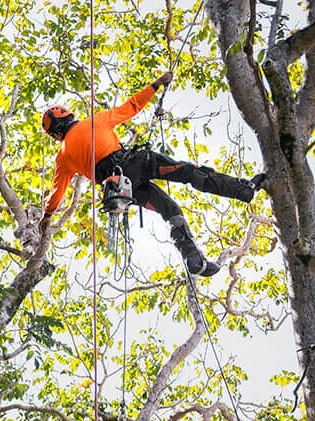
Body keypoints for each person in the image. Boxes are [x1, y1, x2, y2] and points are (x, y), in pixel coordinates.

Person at [40, 70, 265, 277]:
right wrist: (156, 84)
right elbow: (132, 106)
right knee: (189, 172)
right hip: (134, 165)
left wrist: (47, 216)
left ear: (54, 133)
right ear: (69, 117)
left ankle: (193, 258)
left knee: (168, 209)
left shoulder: (63, 156)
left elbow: (57, 193)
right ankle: (243, 190)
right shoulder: (94, 121)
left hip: (122, 191)